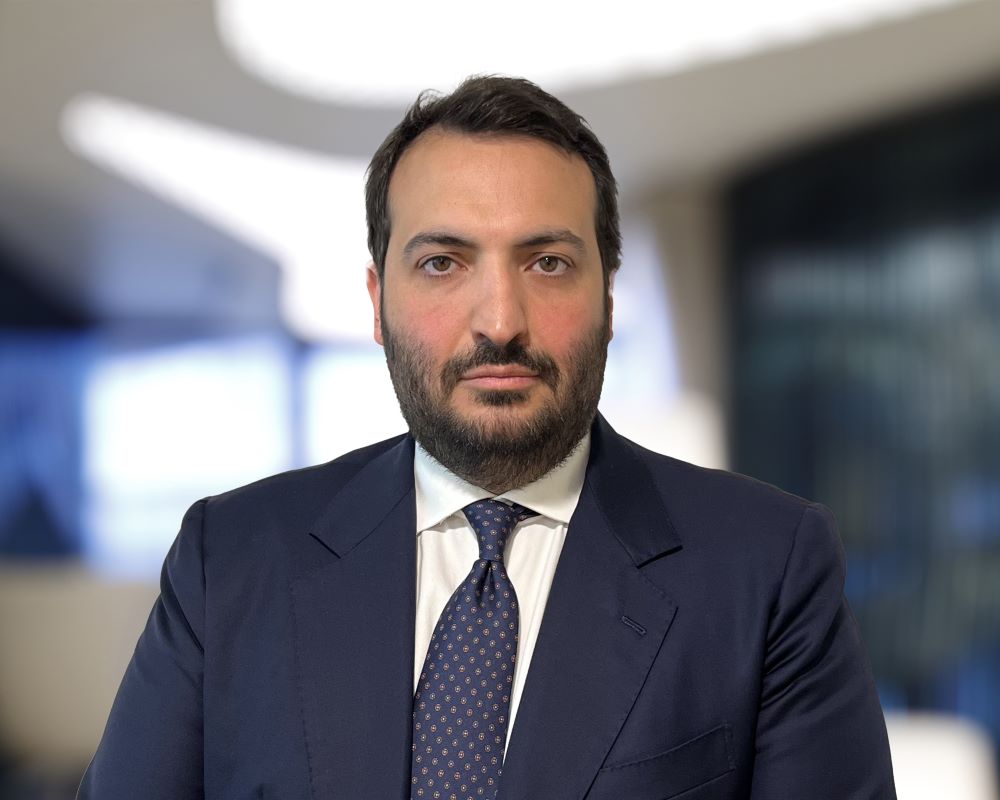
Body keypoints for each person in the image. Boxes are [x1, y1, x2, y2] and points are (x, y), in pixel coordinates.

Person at [79, 76, 896, 800]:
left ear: (610, 300)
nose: (500, 322)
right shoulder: (230, 560)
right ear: (377, 302)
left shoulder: (767, 568)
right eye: (443, 262)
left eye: (548, 263)